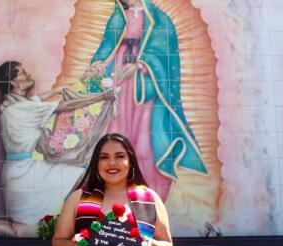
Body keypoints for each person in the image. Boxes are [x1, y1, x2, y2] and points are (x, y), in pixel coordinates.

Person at [0, 61, 115, 237]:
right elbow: (66, 106)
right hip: (25, 175)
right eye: (23, 73)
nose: (29, 75)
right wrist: (103, 97)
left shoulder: (12, 106)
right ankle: (88, 224)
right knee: (23, 230)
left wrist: (54, 92)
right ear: (14, 82)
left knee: (20, 230)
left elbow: (34, 101)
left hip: (19, 171)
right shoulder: (23, 109)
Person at [82, 0, 208, 201]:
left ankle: (147, 199)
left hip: (146, 87)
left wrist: (142, 64)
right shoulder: (117, 17)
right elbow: (107, 45)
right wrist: (97, 65)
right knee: (117, 135)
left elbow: (166, 55)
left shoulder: (159, 20)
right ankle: (115, 198)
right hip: (120, 81)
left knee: (146, 144)